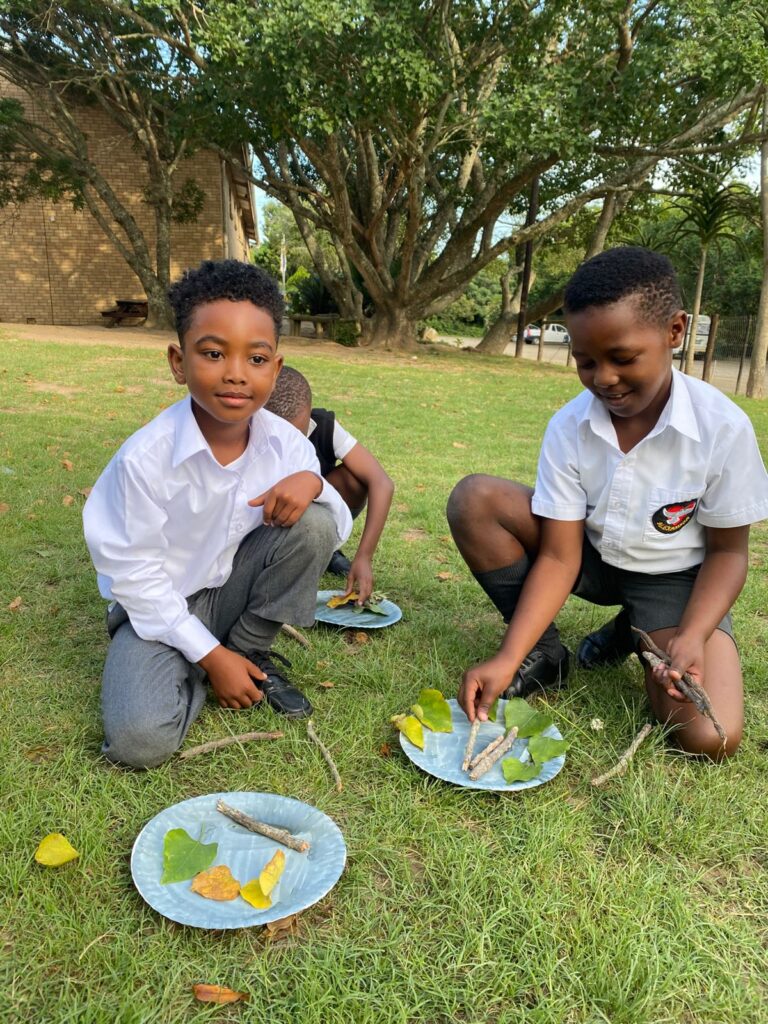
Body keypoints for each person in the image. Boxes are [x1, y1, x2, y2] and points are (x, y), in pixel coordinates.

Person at [447, 246, 768, 759]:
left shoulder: (722, 428)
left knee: (711, 737)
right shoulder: (570, 426)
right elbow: (558, 555)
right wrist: (510, 656)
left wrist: (691, 634)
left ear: (675, 332)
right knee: (476, 499)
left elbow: (729, 554)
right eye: (585, 361)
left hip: (674, 582)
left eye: (622, 358)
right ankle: (547, 653)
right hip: (591, 558)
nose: (603, 378)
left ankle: (635, 631)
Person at [83, 260, 352, 768]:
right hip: (158, 607)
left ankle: (249, 649)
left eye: (256, 358)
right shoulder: (146, 458)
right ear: (178, 361)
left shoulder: (287, 446)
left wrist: (314, 480)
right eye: (212, 353)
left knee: (314, 520)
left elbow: (336, 529)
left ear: (275, 368)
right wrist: (209, 656)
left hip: (232, 591)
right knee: (140, 743)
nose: (234, 373)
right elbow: (136, 579)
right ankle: (206, 662)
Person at [265, 365, 394, 603]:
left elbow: (381, 482)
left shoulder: (323, 425)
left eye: (297, 433)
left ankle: (328, 548)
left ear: (308, 414)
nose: (293, 443)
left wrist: (364, 556)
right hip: (266, 522)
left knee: (354, 479)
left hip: (317, 510)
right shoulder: (246, 430)